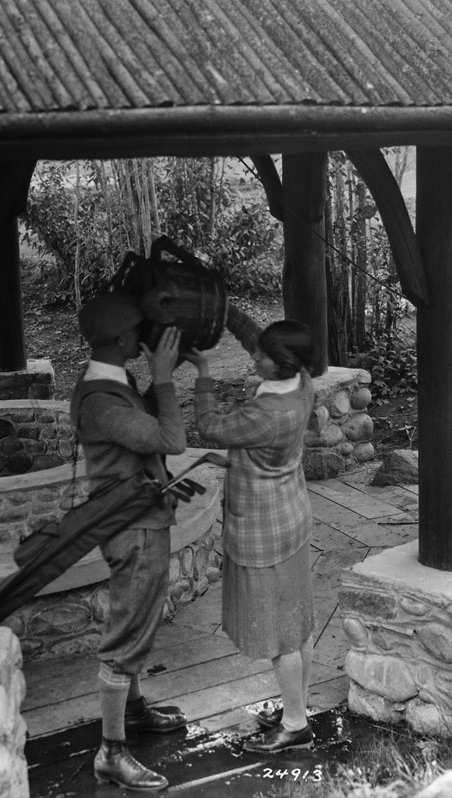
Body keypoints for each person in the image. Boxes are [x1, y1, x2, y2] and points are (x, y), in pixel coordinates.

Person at [184, 305, 317, 754]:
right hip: (291, 515)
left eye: (262, 356)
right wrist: (224, 310)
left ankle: (295, 726)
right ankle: (298, 708)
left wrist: (203, 371)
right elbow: (258, 339)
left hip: (264, 531)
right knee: (298, 626)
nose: (253, 357)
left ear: (282, 362)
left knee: (281, 637)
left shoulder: (267, 414)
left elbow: (208, 427)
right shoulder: (301, 382)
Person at [73, 290, 188, 792]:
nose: (144, 338)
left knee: (138, 619)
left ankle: (134, 710)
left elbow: (151, 429)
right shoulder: (102, 401)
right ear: (122, 340)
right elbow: (171, 440)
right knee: (126, 635)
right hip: (133, 526)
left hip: (139, 517)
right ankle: (111, 752)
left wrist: (167, 370)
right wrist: (164, 378)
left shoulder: (113, 382)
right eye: (138, 331)